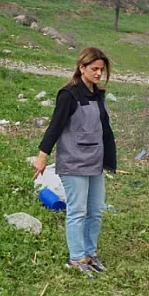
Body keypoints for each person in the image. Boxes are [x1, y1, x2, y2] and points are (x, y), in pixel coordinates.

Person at [32, 48, 117, 277]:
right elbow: (55, 126)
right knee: (77, 211)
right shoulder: (68, 95)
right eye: (94, 69)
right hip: (74, 162)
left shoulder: (99, 95)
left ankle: (90, 254)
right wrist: (42, 155)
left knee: (96, 210)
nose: (99, 73)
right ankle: (76, 258)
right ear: (82, 68)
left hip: (95, 161)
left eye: (102, 69)